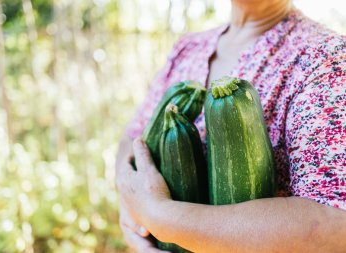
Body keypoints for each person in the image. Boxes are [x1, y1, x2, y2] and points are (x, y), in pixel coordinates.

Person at [115, 0, 346, 252]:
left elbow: (333, 223)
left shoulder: (328, 59)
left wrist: (160, 217)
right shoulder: (188, 49)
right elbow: (133, 137)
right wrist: (130, 207)